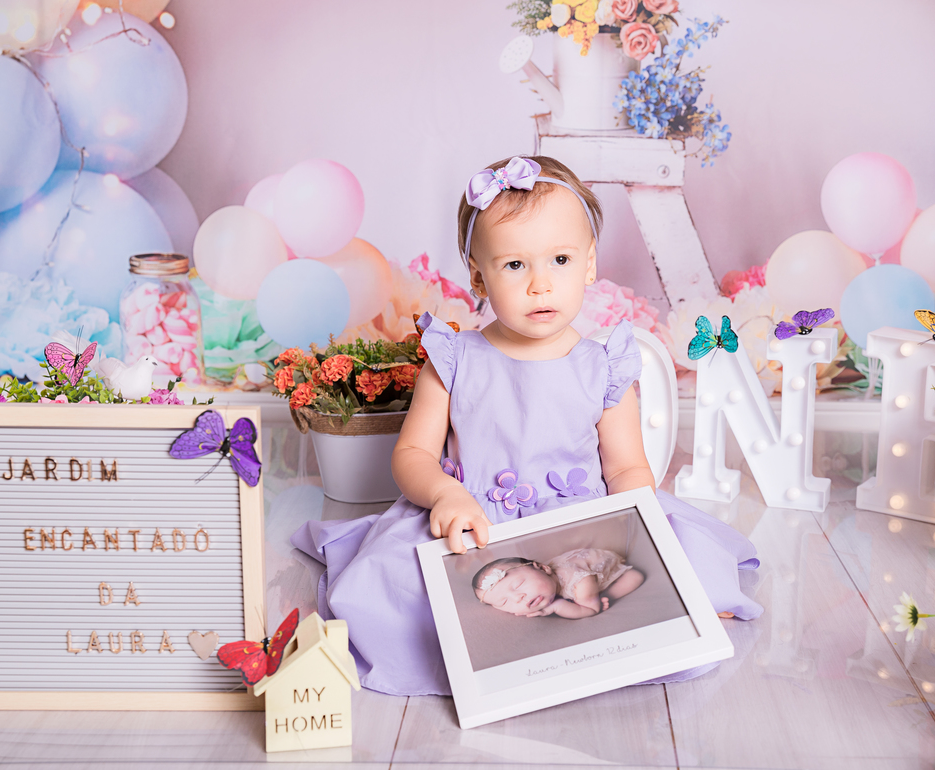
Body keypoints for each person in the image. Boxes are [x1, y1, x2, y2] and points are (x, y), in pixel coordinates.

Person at [292, 155, 761, 696]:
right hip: (475, 521)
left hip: (580, 521)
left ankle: (653, 616)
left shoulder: (604, 367)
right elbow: (412, 455)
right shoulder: (453, 359)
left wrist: (627, 527)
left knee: (677, 566)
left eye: (560, 260)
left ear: (588, 265)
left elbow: (628, 468)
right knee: (388, 588)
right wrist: (445, 495)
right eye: (515, 265)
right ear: (479, 275)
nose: (541, 284)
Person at [474, 549, 645, 618]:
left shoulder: (580, 582)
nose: (518, 598)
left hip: (601, 566)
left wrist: (556, 606)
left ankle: (604, 595)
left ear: (543, 568)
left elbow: (590, 610)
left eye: (518, 585)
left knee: (635, 577)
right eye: (504, 602)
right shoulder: (543, 580)